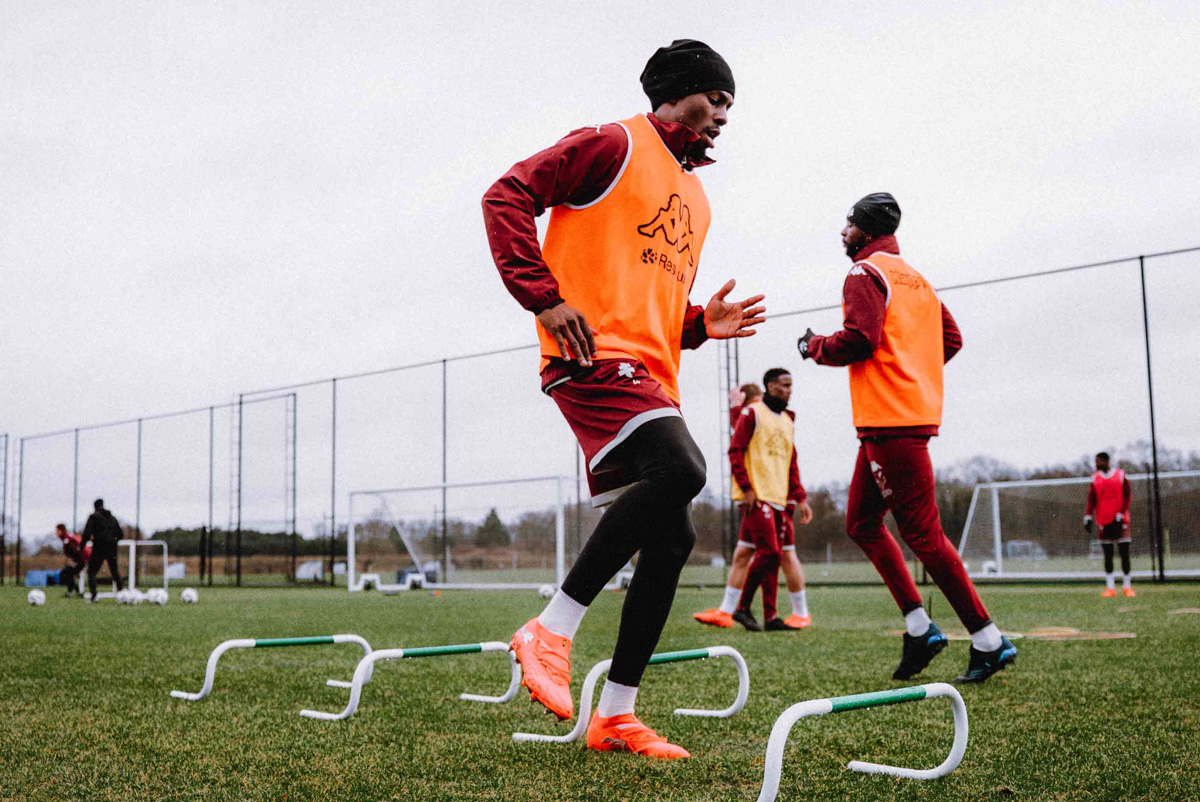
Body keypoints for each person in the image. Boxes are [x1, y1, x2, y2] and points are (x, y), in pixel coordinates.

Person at [482, 39, 764, 758]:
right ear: (675, 90)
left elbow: (648, 304)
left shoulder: (696, 199)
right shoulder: (612, 143)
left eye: (731, 104)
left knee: (672, 538)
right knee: (684, 469)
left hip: (650, 376)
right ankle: (551, 628)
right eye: (715, 97)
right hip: (590, 361)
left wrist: (700, 323)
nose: (724, 114)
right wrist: (543, 300)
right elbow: (505, 194)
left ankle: (616, 714)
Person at [797, 193, 1016, 684]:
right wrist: (914, 372)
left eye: (848, 223)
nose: (843, 231)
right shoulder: (916, 279)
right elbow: (951, 340)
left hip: (891, 422)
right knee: (861, 522)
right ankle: (920, 629)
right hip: (897, 420)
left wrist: (813, 346)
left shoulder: (863, 274)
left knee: (924, 536)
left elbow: (858, 340)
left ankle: (989, 641)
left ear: (865, 230)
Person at [696, 371, 814, 631]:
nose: (789, 391)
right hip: (757, 496)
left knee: (767, 554)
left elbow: (791, 462)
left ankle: (765, 614)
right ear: (771, 387)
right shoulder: (753, 413)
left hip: (779, 498)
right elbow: (735, 449)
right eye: (785, 386)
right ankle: (741, 609)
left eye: (791, 386)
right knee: (770, 553)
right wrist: (748, 488)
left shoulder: (786, 420)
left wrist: (800, 496)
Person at [1084, 451, 1134, 597]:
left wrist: (1121, 512)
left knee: (1124, 553)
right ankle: (1110, 587)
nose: (1096, 465)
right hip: (1103, 521)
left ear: (1106, 461)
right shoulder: (1095, 478)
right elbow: (1091, 499)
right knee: (1107, 554)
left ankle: (1127, 586)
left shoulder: (1120, 475)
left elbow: (1127, 496)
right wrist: (1088, 516)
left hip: (1120, 520)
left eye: (1098, 461)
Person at [80, 499, 124, 602]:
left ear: (95, 506)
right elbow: (120, 534)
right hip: (112, 548)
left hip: (99, 547)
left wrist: (82, 546)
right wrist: (113, 542)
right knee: (114, 571)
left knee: (92, 572)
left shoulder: (93, 517)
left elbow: (87, 533)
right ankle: (122, 594)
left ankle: (94, 596)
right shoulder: (112, 518)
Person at [56, 523, 92, 598]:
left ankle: (78, 591)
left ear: (61, 530)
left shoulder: (67, 538)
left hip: (83, 559)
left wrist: (74, 560)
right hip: (82, 559)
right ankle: (75, 591)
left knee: (67, 573)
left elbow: (75, 549)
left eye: (57, 530)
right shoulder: (67, 537)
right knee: (68, 573)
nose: (56, 533)